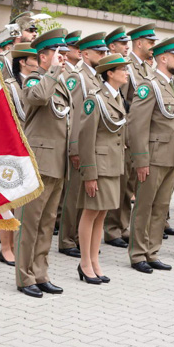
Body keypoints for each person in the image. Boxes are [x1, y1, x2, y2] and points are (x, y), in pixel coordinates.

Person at [12, 31, 72, 297]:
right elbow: (37, 98)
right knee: (29, 222)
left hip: (58, 161)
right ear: (44, 57)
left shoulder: (59, 81)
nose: (63, 58)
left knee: (47, 222)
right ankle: (24, 276)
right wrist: (53, 72)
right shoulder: (35, 79)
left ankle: (41, 272)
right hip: (39, 160)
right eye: (58, 54)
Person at [127, 36, 174, 273]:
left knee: (161, 207)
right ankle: (138, 253)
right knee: (144, 206)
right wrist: (141, 159)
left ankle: (152, 251)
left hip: (171, 156)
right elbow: (137, 125)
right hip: (152, 158)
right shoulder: (148, 85)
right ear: (163, 58)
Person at [77, 54, 130, 283]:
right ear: (110, 73)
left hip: (112, 165)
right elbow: (86, 138)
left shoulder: (117, 97)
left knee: (102, 214)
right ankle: (84, 262)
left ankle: (95, 261)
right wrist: (89, 173)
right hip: (98, 165)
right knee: (90, 213)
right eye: (123, 69)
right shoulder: (95, 99)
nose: (127, 73)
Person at [59, 32, 109, 258]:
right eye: (100, 52)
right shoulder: (78, 77)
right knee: (74, 194)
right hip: (79, 144)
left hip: (92, 145)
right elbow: (75, 114)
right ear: (85, 54)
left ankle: (80, 238)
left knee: (84, 196)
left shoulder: (96, 77)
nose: (104, 55)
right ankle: (67, 240)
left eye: (105, 52)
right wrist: (75, 148)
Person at [3, 43, 40, 266]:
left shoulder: (38, 83)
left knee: (24, 200)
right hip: (12, 146)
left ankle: (19, 245)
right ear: (23, 62)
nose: (39, 61)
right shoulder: (9, 85)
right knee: (9, 199)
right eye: (34, 58)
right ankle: (5, 247)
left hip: (33, 146)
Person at [102, 27, 133, 249]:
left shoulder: (138, 69)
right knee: (101, 202)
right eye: (122, 43)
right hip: (105, 148)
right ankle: (112, 230)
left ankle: (122, 227)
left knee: (125, 189)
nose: (126, 46)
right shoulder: (99, 92)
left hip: (125, 139)